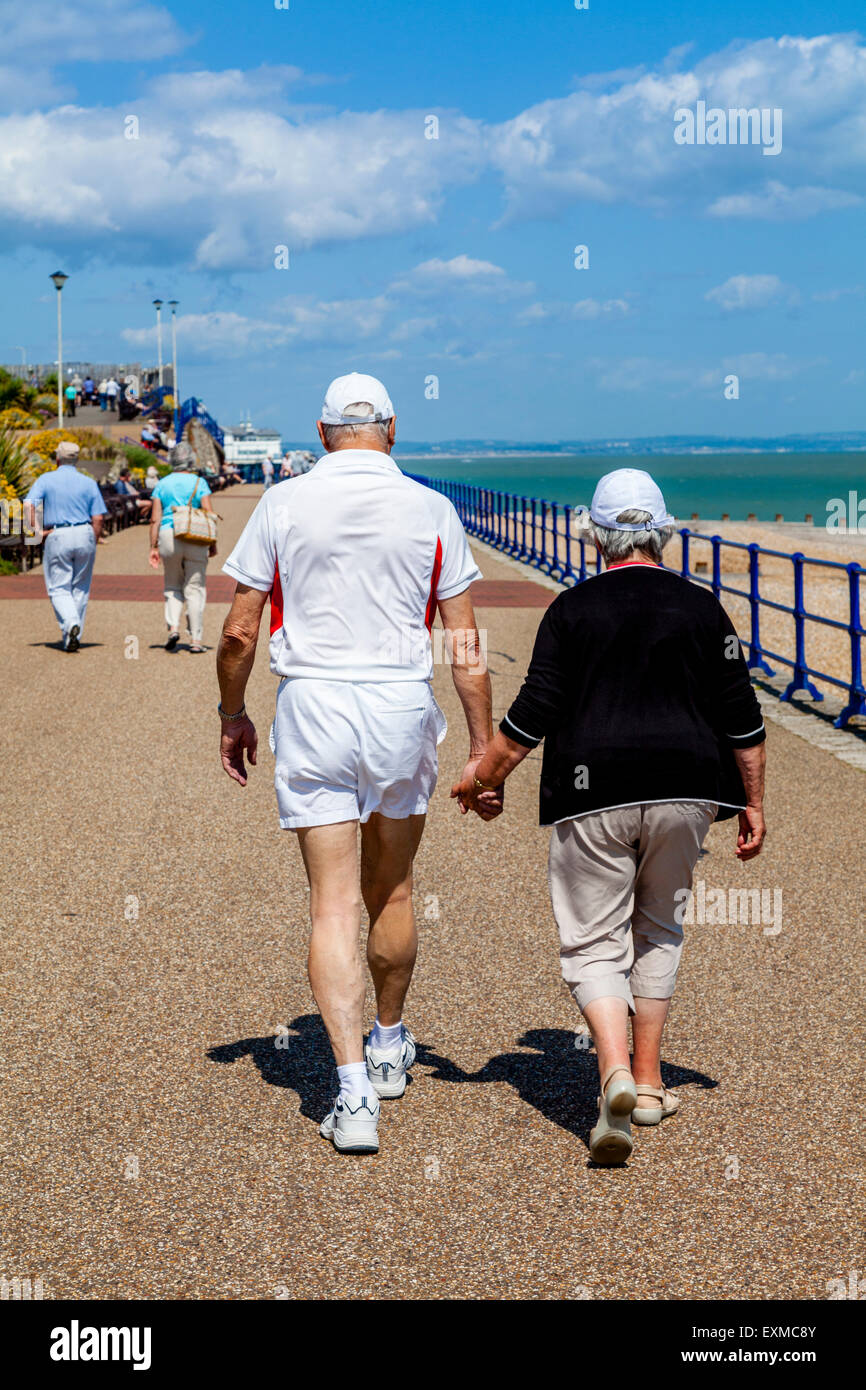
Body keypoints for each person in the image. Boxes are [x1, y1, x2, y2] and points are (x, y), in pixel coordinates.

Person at [453, 468, 767, 1166]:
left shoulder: (572, 610)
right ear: (662, 533)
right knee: (659, 926)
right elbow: (742, 719)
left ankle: (614, 1074)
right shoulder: (702, 608)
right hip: (688, 787)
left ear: (593, 535)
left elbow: (532, 713)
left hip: (592, 792)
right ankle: (652, 1086)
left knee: (593, 942)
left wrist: (484, 778)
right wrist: (753, 801)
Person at [216, 373, 490, 1155]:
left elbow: (239, 634)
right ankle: (391, 1042)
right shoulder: (432, 509)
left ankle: (352, 1096)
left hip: (315, 707)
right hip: (401, 706)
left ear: (324, 430)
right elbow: (463, 649)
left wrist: (234, 716)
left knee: (331, 903)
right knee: (394, 888)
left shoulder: (283, 502)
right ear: (393, 430)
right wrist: (480, 751)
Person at [23, 440, 106, 652]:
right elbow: (98, 518)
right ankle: (71, 636)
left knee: (59, 587)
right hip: (84, 531)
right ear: (76, 459)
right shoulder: (88, 482)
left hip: (58, 533)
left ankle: (71, 624)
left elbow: (28, 504)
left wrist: (37, 531)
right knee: (80, 587)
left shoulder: (46, 479)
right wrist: (93, 540)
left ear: (58, 458)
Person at [148, 442, 216, 653]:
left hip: (169, 534)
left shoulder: (162, 484)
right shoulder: (199, 482)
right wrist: (212, 543)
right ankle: (196, 640)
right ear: (190, 461)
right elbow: (208, 513)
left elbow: (154, 519)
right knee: (195, 588)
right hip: (195, 534)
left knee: (172, 585)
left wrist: (153, 546)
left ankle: (173, 628)